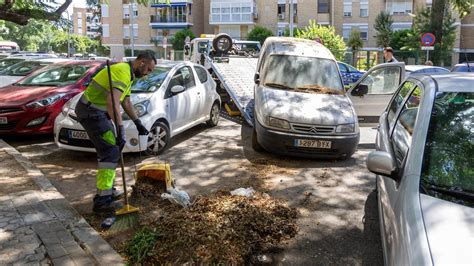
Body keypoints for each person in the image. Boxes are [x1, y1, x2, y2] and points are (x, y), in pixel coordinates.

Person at [75, 52, 156, 213]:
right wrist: (120, 128)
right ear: (141, 62)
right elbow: (112, 103)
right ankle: (102, 201)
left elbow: (125, 101)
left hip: (98, 112)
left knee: (113, 149)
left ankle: (108, 190)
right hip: (91, 112)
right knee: (110, 152)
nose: (148, 73)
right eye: (148, 69)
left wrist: (137, 122)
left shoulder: (128, 74)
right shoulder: (122, 71)